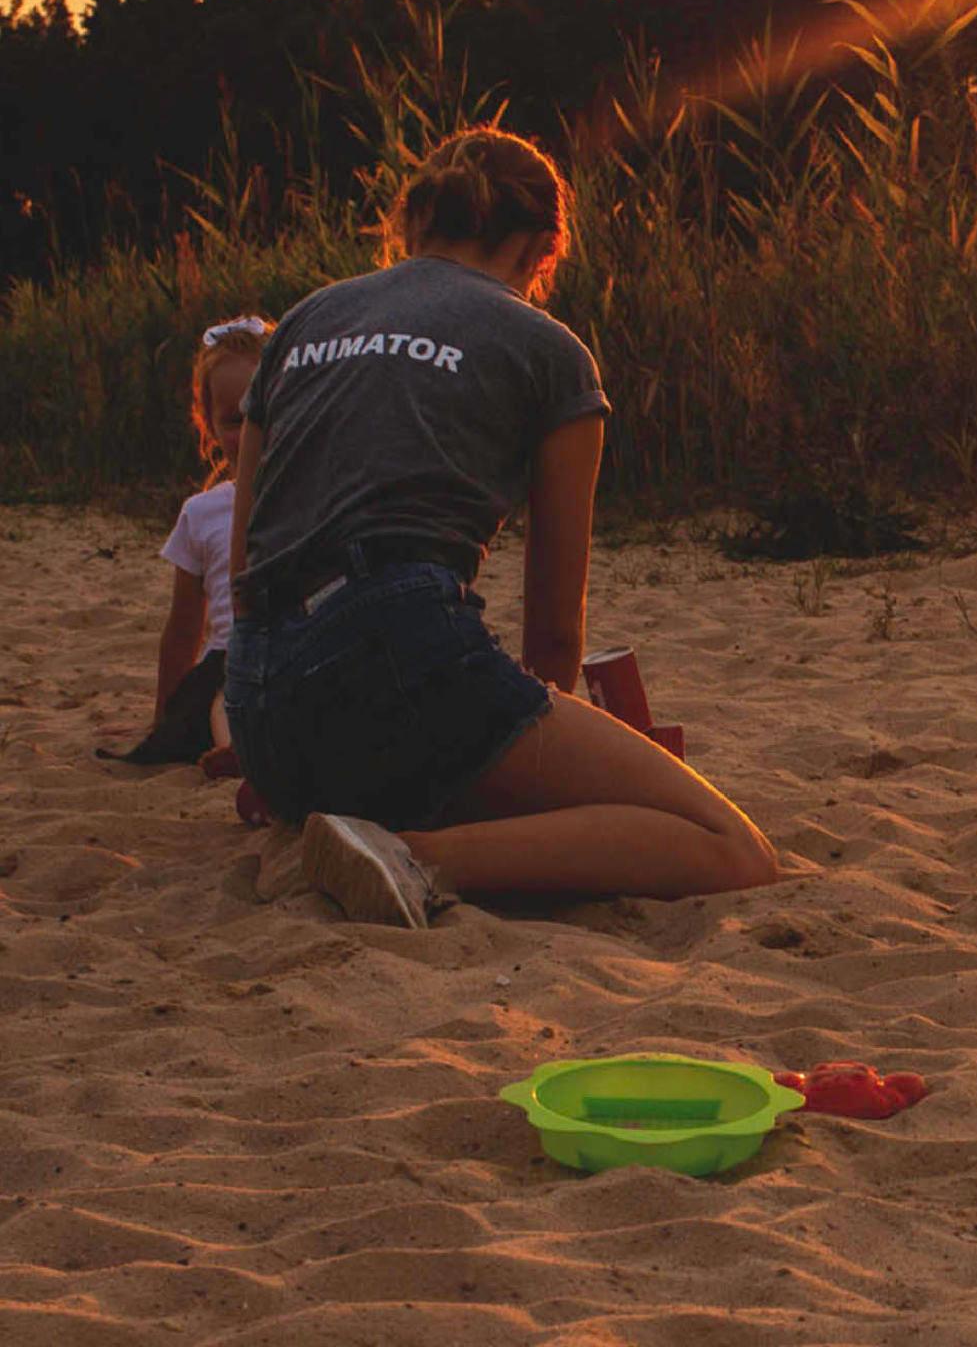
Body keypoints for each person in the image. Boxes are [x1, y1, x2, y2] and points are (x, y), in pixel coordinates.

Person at [225, 127, 777, 927]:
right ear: (546, 247)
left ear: (411, 222)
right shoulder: (546, 349)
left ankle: (357, 824)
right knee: (731, 846)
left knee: (442, 739)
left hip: (261, 709)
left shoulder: (304, 323)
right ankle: (412, 853)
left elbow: (246, 564)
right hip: (395, 657)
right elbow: (553, 633)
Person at [102, 316, 271, 768]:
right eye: (235, 420)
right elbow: (183, 628)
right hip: (229, 660)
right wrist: (163, 717)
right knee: (223, 688)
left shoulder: (313, 495)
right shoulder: (202, 514)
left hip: (292, 649)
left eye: (265, 412)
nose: (252, 430)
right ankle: (234, 752)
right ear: (208, 426)